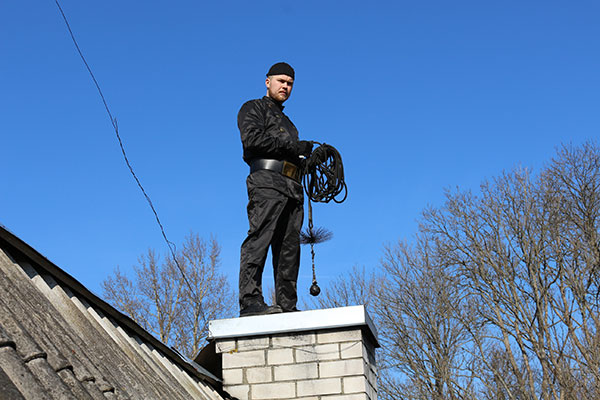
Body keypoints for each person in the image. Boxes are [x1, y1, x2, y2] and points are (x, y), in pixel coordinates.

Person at [237, 62, 313, 317]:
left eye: (290, 83)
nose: (286, 87)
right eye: (281, 81)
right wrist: (293, 148)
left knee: (290, 247)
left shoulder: (289, 123)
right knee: (260, 237)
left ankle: (287, 305)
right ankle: (250, 301)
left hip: (293, 187)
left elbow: (292, 154)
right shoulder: (252, 108)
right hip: (266, 182)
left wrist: (310, 160)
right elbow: (253, 140)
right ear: (267, 81)